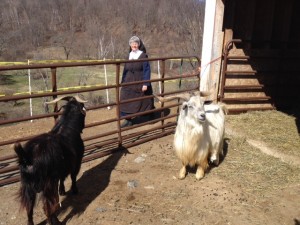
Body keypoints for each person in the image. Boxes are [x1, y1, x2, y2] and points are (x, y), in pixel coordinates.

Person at [120, 36, 154, 128]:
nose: (134, 45)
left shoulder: (143, 55)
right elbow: (125, 70)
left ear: (138, 45)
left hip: (140, 80)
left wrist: (145, 83)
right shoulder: (129, 55)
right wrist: (122, 81)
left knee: (145, 99)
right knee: (125, 98)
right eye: (132, 43)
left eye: (135, 43)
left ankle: (149, 114)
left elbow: (147, 70)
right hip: (128, 81)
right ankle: (127, 119)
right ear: (130, 45)